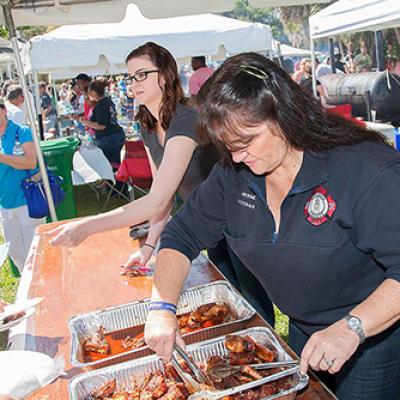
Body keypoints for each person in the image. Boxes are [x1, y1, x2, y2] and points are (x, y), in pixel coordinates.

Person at [144, 52, 400, 400]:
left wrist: (351, 328)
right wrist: (162, 308)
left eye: (246, 142)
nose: (236, 157)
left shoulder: (364, 169)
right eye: (228, 146)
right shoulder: (233, 177)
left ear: (282, 115)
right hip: (303, 329)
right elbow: (181, 234)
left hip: (374, 336)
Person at [48, 42, 219, 269]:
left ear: (165, 76)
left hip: (239, 219)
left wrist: (87, 226)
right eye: (130, 77)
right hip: (210, 225)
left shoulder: (185, 119)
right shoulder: (149, 125)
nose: (134, 84)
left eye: (142, 75)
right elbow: (161, 194)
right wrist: (148, 247)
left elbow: (156, 201)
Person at [0, 98, 44, 272]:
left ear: (3, 109)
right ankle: (28, 284)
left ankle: (40, 288)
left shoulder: (22, 131)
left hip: (28, 199)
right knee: (15, 252)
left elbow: (30, 162)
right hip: (4, 203)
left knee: (35, 250)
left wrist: (2, 157)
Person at [79, 79, 125, 165]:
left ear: (93, 92)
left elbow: (102, 125)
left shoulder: (101, 105)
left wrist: (86, 122)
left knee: (111, 164)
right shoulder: (107, 101)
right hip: (115, 135)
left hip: (109, 138)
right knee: (116, 163)